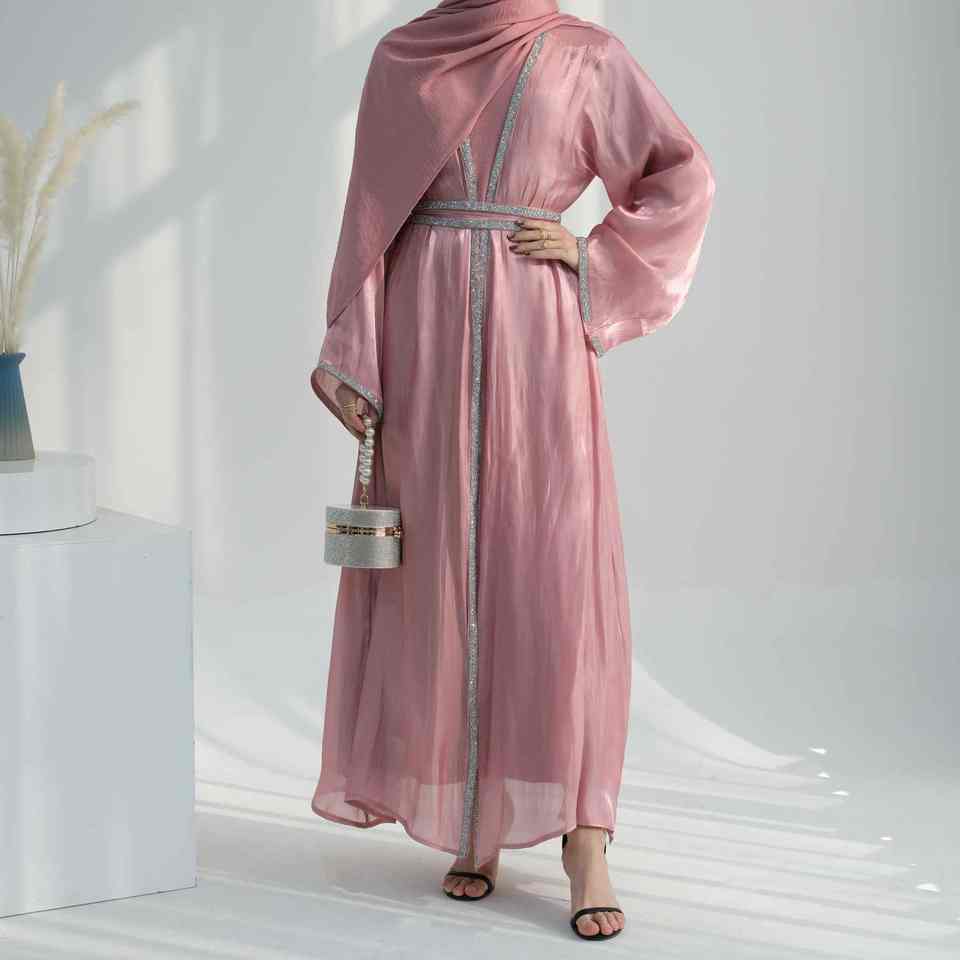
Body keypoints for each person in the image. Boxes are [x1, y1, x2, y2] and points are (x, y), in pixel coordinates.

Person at [309, 0, 715, 941]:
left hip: (538, 332)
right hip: (422, 333)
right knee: (441, 573)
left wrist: (591, 251)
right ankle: (474, 819)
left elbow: (680, 175)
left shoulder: (587, 55)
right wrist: (359, 355)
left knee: (553, 577)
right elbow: (370, 219)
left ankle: (586, 838)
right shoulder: (403, 56)